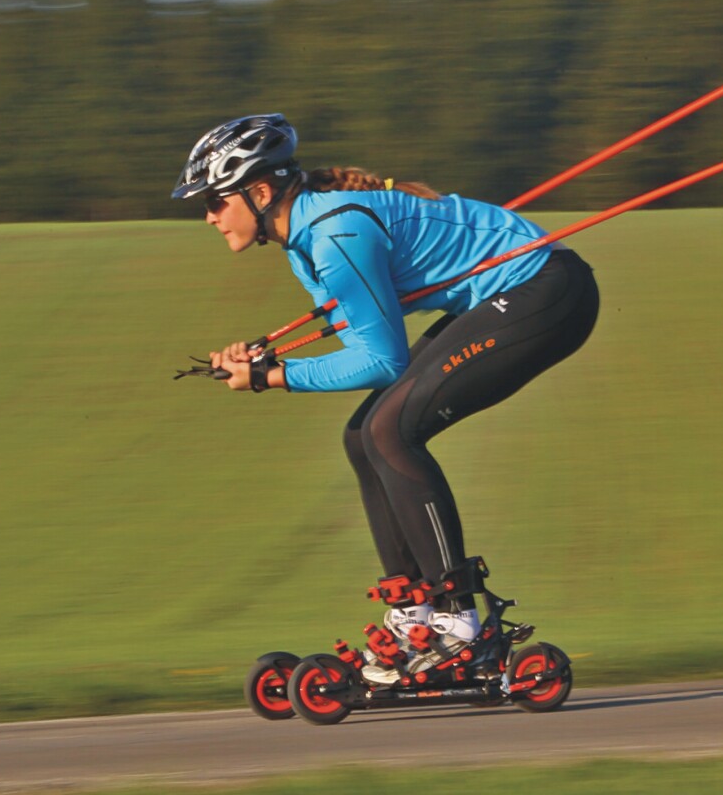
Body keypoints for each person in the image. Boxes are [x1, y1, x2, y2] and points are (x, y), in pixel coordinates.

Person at [173, 114, 599, 683]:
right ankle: (413, 613)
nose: (208, 216)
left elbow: (381, 362)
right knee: (362, 434)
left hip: (545, 291)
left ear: (261, 193)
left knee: (391, 431)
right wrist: (263, 360)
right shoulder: (306, 240)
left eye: (215, 201)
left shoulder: (334, 235)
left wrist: (272, 376)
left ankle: (459, 623)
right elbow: (361, 339)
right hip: (510, 292)